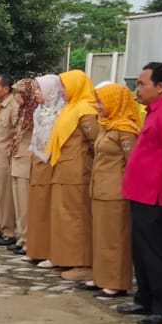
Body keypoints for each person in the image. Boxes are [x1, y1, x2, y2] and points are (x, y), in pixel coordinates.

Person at [120, 62, 162, 324]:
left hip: (157, 196)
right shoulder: (152, 112)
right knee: (142, 251)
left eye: (143, 83)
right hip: (141, 193)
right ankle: (145, 298)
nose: (138, 89)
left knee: (159, 253)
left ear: (161, 87)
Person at [90, 83, 140, 298]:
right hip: (100, 187)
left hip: (115, 191)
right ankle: (101, 276)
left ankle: (116, 281)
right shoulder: (107, 125)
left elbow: (132, 163)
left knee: (115, 238)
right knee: (101, 235)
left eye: (101, 101)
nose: (98, 106)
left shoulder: (125, 129)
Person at [45, 70, 96, 281]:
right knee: (63, 217)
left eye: (66, 87)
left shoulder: (86, 109)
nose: (62, 92)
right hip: (64, 170)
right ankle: (66, 258)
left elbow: (95, 142)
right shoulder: (71, 108)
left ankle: (82, 263)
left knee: (77, 218)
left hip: (78, 172)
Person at [26, 75, 64, 264]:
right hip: (37, 162)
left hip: (50, 165)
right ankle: (35, 249)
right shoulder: (39, 111)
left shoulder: (60, 113)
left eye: (40, 89)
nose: (36, 93)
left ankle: (50, 252)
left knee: (47, 209)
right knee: (36, 209)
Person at [0, 74, 20, 247]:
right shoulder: (3, 106)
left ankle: (8, 230)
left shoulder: (13, 106)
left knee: (4, 196)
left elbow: (16, 131)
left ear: (6, 89)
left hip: (5, 157)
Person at [8, 78, 37, 255]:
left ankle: (27, 238)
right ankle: (20, 235)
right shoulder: (22, 111)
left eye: (19, 93)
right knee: (18, 202)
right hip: (17, 159)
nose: (16, 96)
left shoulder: (34, 114)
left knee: (25, 203)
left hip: (26, 160)